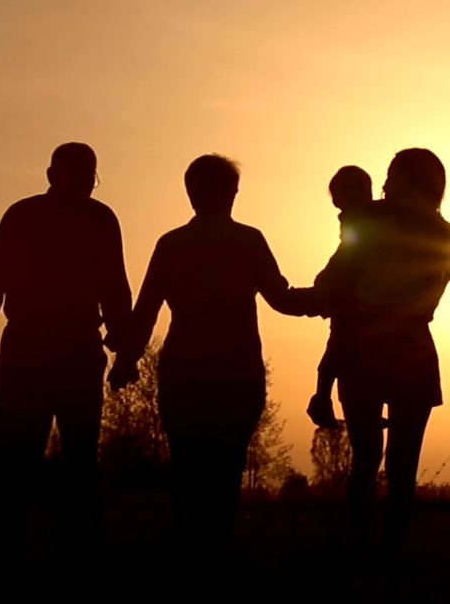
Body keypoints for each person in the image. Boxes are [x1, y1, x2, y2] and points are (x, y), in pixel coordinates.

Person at [302, 148, 450, 553]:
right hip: (413, 351)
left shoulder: (368, 219)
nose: (384, 183)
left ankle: (359, 547)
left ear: (406, 179)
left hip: (361, 347)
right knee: (403, 466)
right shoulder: (448, 236)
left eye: (390, 175)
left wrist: (314, 301)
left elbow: (333, 280)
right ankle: (394, 550)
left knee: (365, 460)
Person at [108, 154, 309, 560]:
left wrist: (127, 360)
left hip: (183, 373)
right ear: (232, 192)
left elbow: (146, 311)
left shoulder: (171, 244)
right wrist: (328, 298)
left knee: (187, 468)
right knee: (226, 467)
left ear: (190, 192)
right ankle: (215, 552)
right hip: (238, 375)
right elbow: (282, 299)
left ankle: (191, 551)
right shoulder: (249, 241)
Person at [0, 142, 132, 568]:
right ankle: (71, 560)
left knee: (18, 463)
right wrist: (125, 349)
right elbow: (116, 290)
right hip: (66, 352)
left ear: (51, 173)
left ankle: (4, 556)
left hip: (34, 351)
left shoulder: (24, 215)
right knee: (74, 464)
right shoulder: (96, 218)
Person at [306, 165, 373, 430]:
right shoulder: (359, 220)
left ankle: (324, 400)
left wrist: (325, 279)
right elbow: (346, 253)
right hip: (349, 303)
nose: (340, 209)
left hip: (354, 303)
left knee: (335, 353)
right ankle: (324, 399)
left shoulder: (360, 220)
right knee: (334, 354)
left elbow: (348, 256)